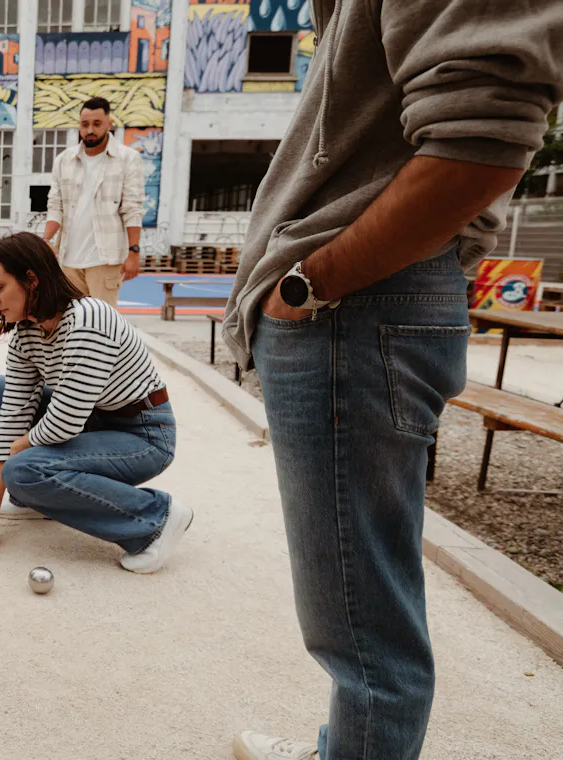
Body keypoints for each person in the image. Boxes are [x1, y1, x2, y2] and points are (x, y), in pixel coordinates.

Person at [222, 2, 563, 757]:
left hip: (351, 307)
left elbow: (481, 142)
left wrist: (307, 286)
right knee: (362, 599)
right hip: (359, 307)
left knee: (363, 626)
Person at [0, 232, 193, 574]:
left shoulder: (88, 319)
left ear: (31, 280)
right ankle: (31, 496)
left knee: (23, 467)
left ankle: (154, 518)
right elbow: (12, 414)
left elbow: (64, 423)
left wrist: (20, 452)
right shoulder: (27, 334)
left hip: (144, 435)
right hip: (94, 420)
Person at [41, 96, 146, 307]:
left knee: (103, 323)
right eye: (85, 124)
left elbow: (132, 209)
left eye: (97, 124)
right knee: (69, 321)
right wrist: (46, 239)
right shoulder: (64, 160)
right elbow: (55, 205)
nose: (90, 130)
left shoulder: (128, 159)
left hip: (105, 259)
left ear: (109, 124)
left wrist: (134, 253)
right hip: (68, 259)